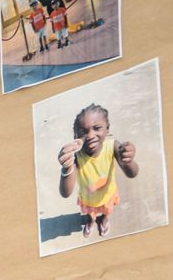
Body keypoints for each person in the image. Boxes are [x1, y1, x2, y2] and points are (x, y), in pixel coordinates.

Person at [57, 102, 139, 238]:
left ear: (107, 129)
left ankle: (105, 220)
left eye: (96, 128)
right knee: (90, 214)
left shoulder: (113, 146)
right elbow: (66, 192)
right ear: (75, 136)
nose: (90, 135)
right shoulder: (77, 157)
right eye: (83, 132)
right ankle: (91, 222)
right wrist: (66, 167)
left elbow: (132, 173)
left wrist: (128, 160)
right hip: (88, 200)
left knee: (107, 211)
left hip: (108, 195)